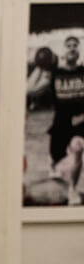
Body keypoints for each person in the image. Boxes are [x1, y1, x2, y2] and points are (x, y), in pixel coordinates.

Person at [28, 35, 84, 202]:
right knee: (56, 163)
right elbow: (30, 90)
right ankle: (54, 163)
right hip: (61, 122)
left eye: (75, 45)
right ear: (63, 52)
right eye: (68, 45)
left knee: (77, 147)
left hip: (81, 121)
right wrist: (40, 65)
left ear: (79, 51)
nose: (72, 47)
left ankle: (73, 190)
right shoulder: (54, 73)